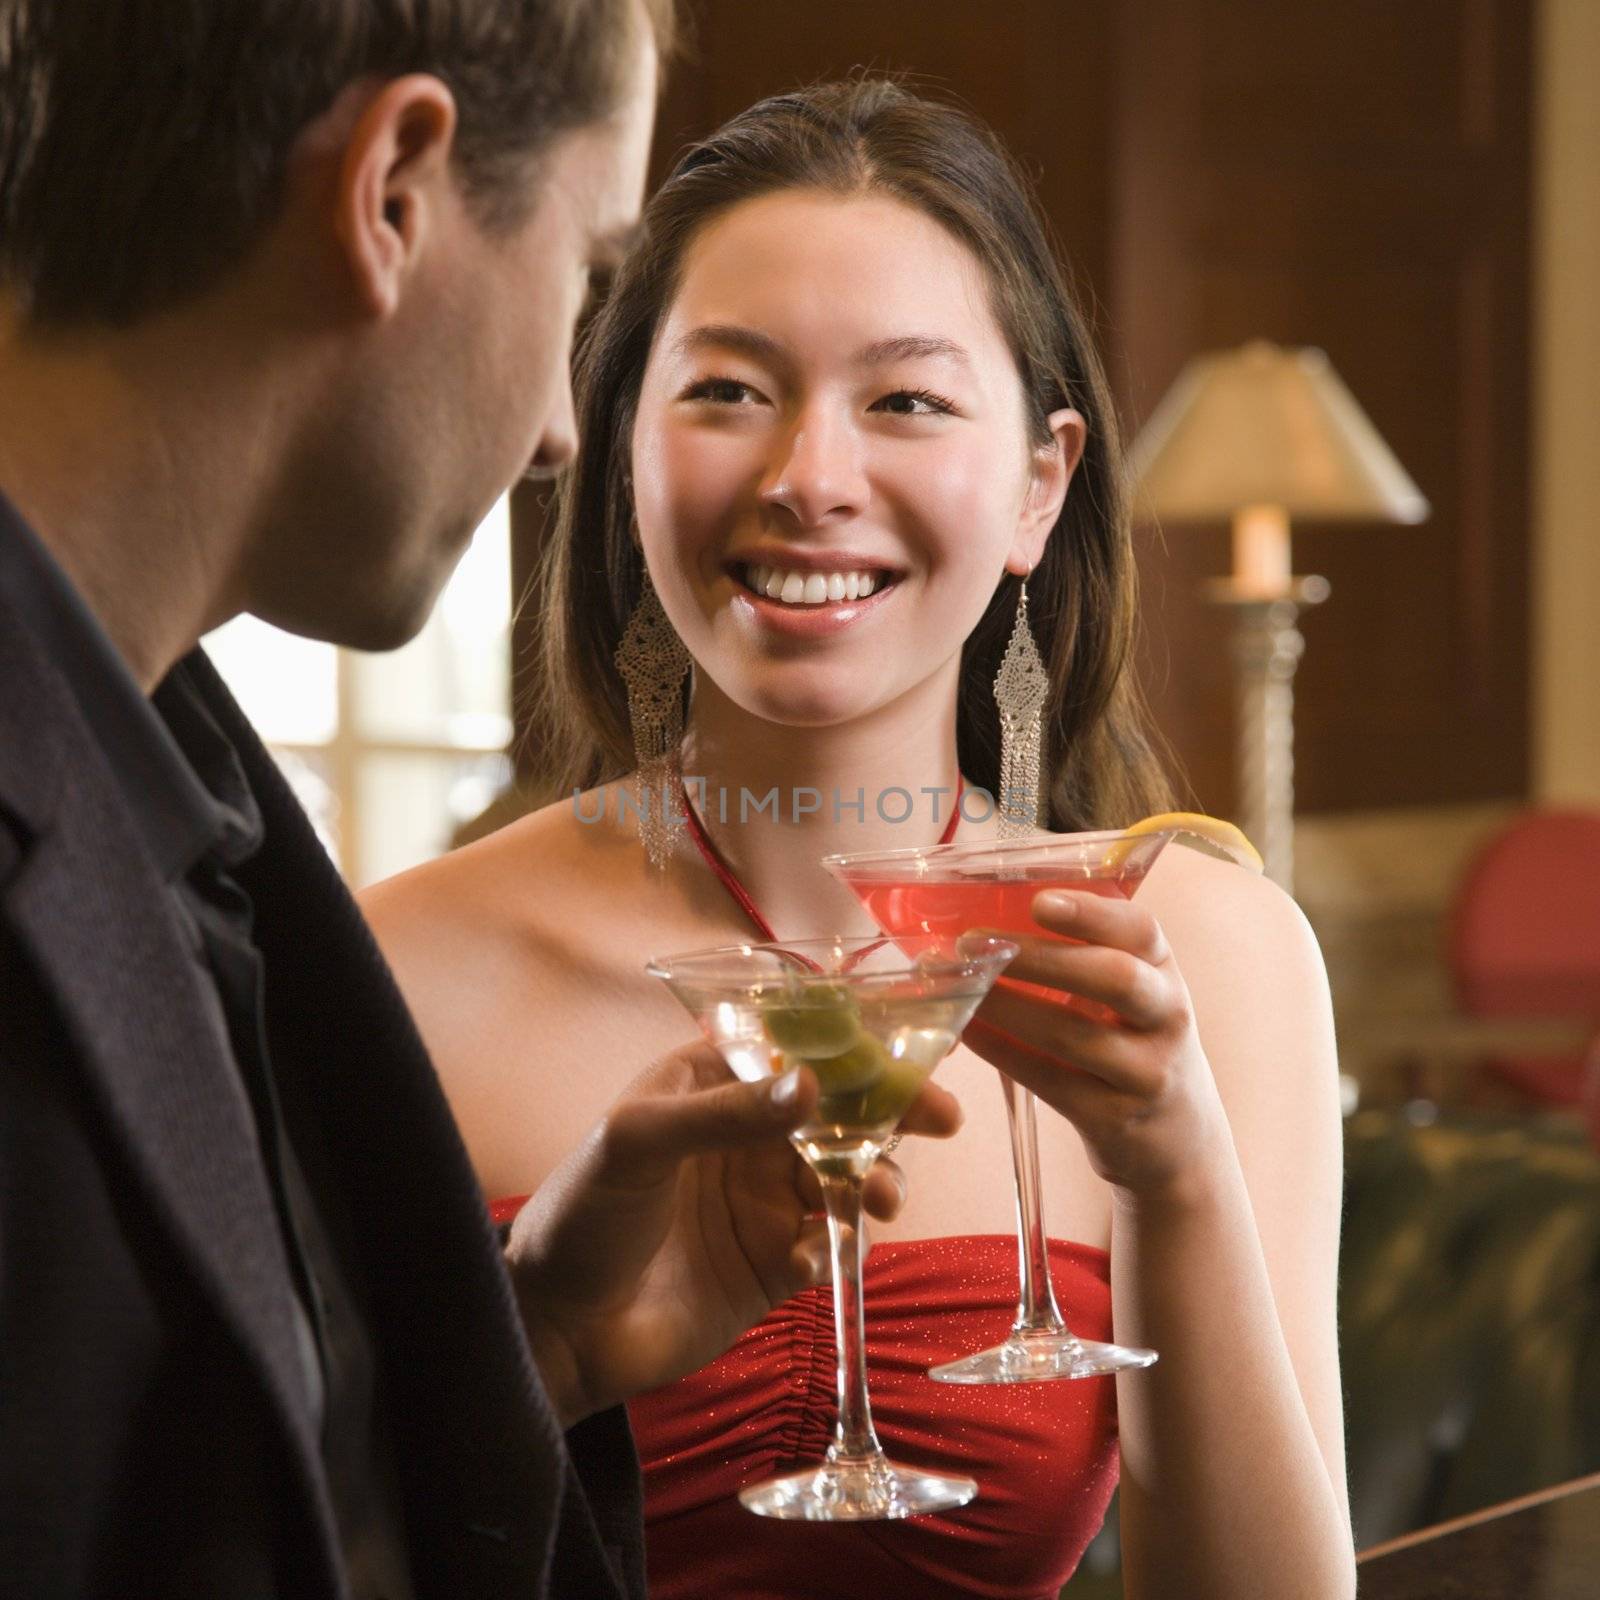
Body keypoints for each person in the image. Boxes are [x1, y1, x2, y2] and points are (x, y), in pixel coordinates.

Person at [0, 9, 961, 1598]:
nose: (562, 433)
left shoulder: (179, 802)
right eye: (586, 276)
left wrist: (539, 1348)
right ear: (394, 190)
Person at [363, 77, 1358, 1600]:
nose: (809, 479)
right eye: (728, 392)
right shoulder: (392, 973)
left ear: (1040, 485)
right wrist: (540, 1345)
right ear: (622, 457)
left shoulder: (1216, 959)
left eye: (904, 400)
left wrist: (1176, 1174)